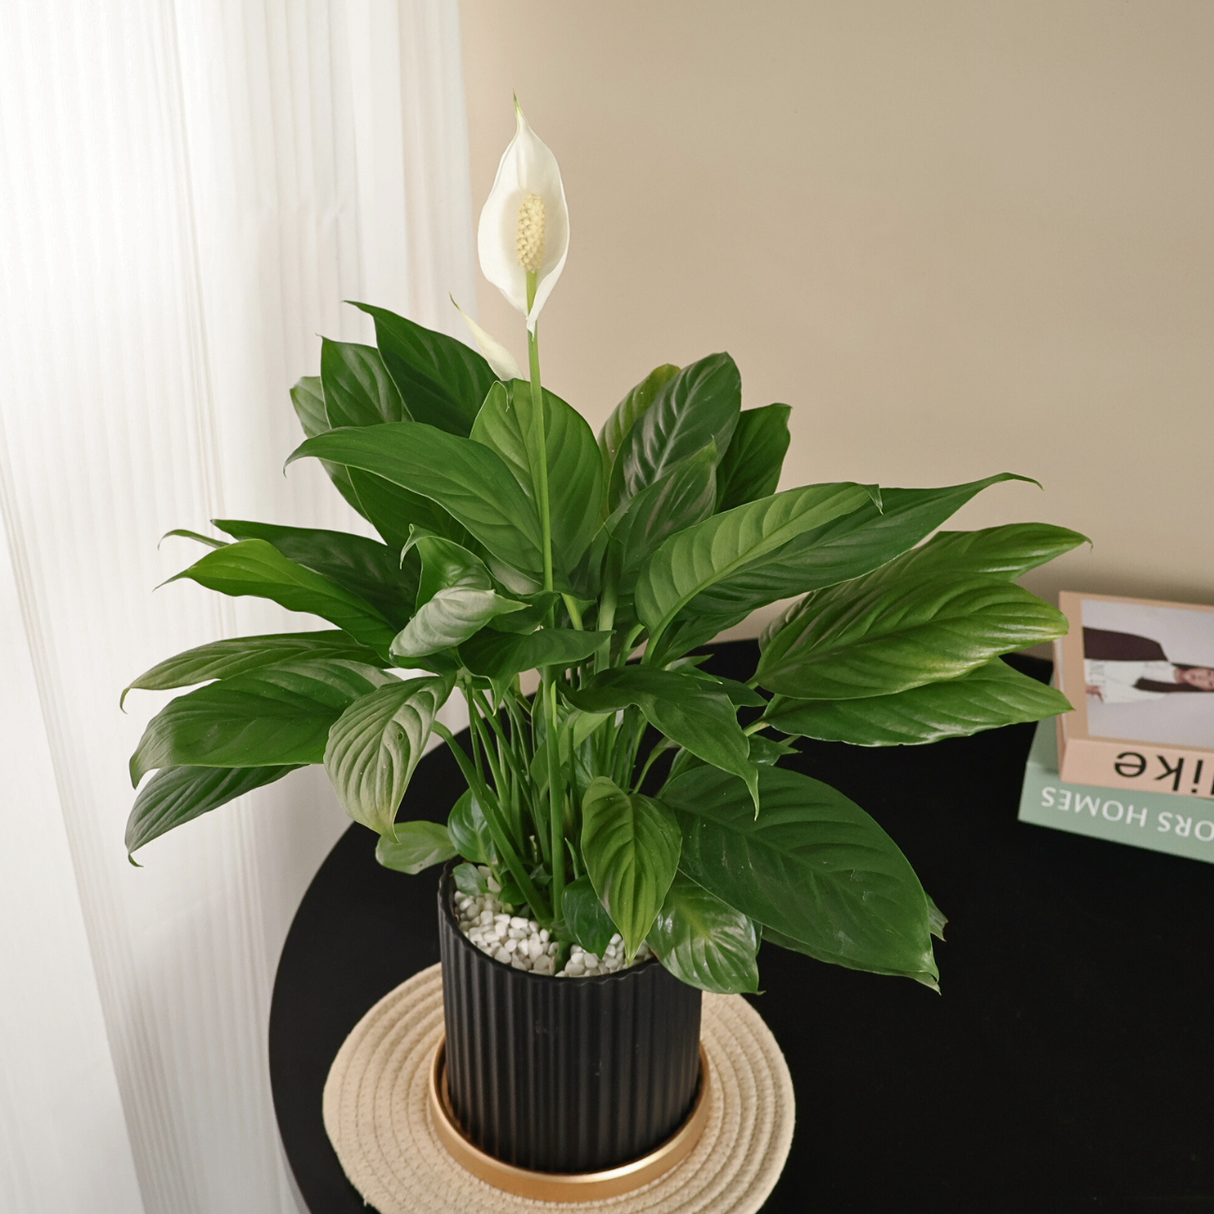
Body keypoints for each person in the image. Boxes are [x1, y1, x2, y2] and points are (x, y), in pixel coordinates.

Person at [1082, 627, 1214, 702]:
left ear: (1205, 690)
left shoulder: (1158, 692)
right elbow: (1094, 638)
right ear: (1202, 666)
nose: (1202, 678)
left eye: (1210, 683)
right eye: (1208, 673)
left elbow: (1096, 690)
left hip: (1078, 677)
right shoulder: (1152, 648)